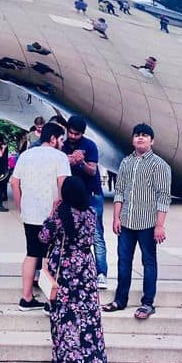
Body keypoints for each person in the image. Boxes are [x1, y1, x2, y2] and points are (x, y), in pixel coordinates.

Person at [39, 176, 110, 363]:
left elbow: (43, 236)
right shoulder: (90, 213)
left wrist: (53, 213)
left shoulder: (61, 214)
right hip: (86, 269)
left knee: (66, 318)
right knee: (88, 318)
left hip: (65, 272)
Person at [102, 124, 170, 320]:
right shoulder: (126, 162)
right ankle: (119, 300)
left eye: (145, 136)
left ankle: (148, 303)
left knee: (149, 262)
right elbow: (120, 191)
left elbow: (163, 197)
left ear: (152, 141)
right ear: (133, 139)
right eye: (137, 135)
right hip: (126, 223)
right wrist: (116, 217)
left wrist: (159, 224)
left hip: (148, 223)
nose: (141, 138)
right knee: (123, 261)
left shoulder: (160, 165)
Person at [10, 122, 71, 311]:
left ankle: (26, 298)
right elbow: (63, 184)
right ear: (53, 139)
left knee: (31, 254)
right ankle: (49, 302)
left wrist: (21, 206)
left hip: (30, 214)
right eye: (61, 139)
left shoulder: (26, 155)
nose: (62, 143)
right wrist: (59, 207)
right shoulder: (60, 157)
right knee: (48, 256)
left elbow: (14, 183)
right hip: (51, 215)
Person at [62, 115, 108, 290]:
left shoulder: (89, 146)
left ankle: (101, 273)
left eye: (77, 134)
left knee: (96, 234)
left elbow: (92, 170)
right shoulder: (62, 145)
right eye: (71, 133)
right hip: (71, 196)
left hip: (91, 194)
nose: (73, 136)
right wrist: (68, 159)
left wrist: (80, 163)